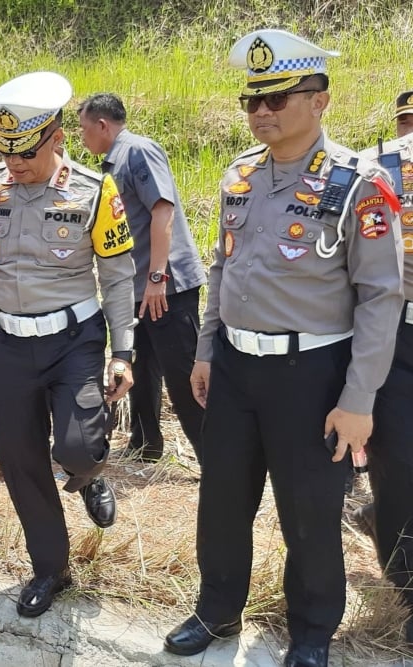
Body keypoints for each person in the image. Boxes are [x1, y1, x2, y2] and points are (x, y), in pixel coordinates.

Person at [162, 31, 404, 667]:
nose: (262, 112)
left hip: (313, 373)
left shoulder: (360, 185)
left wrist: (359, 400)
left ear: (320, 101)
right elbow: (223, 268)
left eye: (279, 98)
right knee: (222, 499)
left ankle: (313, 632)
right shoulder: (239, 175)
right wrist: (208, 349)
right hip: (238, 368)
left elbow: (382, 298)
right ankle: (216, 609)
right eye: (253, 100)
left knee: (309, 514)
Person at [0, 71, 136, 618]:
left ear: (57, 140)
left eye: (26, 151)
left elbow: (117, 276)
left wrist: (124, 351)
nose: (15, 163)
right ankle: (51, 568)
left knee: (73, 446)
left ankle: (89, 468)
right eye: (6, 151)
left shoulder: (94, 191)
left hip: (75, 338)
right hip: (9, 340)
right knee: (19, 459)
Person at [77, 93, 207, 462]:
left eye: (85, 130)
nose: (83, 139)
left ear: (103, 125)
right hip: (139, 287)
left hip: (166, 286)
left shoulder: (137, 151)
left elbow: (162, 211)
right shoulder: (112, 162)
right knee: (142, 368)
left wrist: (156, 277)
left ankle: (214, 456)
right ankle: (145, 444)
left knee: (184, 376)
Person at [350, 88, 413, 642]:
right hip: (397, 332)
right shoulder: (381, 169)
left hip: (395, 330)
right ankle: (407, 595)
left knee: (396, 473)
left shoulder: (377, 165)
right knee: (395, 471)